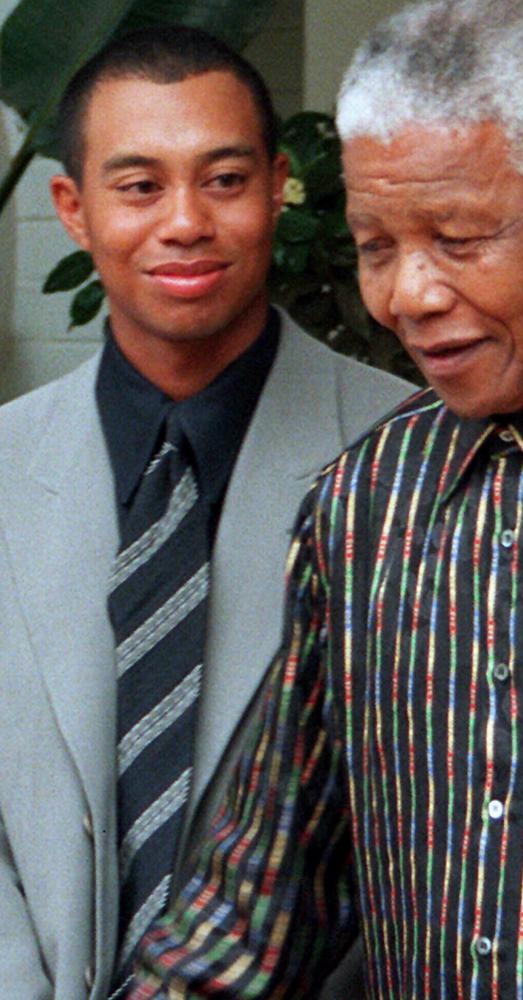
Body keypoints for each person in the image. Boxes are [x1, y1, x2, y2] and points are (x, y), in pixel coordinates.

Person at [128, 1, 523, 998]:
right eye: (374, 246)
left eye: (457, 237)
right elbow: (254, 912)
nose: (406, 294)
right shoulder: (363, 505)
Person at [0, 26, 413, 1000]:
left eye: (222, 180)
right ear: (74, 206)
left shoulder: (405, 458)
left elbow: (421, 836)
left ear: (276, 186)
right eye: (139, 185)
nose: (184, 222)